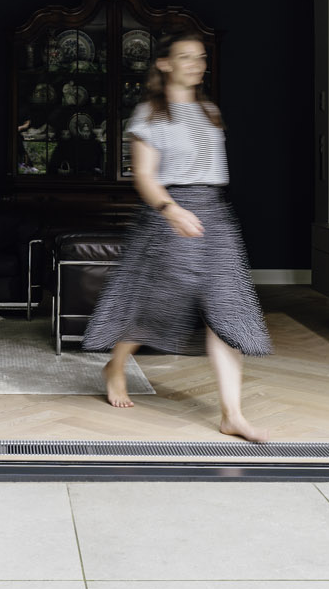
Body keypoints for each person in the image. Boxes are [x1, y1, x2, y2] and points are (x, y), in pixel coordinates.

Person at [81, 33, 272, 442]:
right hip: (170, 211)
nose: (196, 64)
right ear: (164, 64)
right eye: (186, 57)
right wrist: (171, 210)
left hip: (215, 215)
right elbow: (145, 176)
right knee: (160, 303)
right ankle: (115, 365)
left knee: (229, 310)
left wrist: (201, 211)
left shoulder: (209, 110)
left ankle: (232, 414)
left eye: (201, 58)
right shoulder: (149, 113)